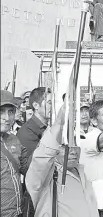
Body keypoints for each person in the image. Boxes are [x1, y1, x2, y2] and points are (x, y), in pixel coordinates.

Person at [25, 105, 99, 217]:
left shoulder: (81, 171)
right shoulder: (44, 176)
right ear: (54, 148)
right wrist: (59, 122)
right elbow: (42, 156)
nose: (73, 151)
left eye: (76, 145)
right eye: (65, 147)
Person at [17, 87, 51, 217]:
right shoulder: (26, 131)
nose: (53, 106)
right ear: (36, 105)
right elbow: (30, 169)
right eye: (49, 102)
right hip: (36, 194)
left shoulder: (48, 127)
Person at [1, 90, 27, 217]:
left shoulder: (14, 139)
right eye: (1, 111)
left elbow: (28, 167)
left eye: (10, 111)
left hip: (17, 212)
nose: (7, 118)